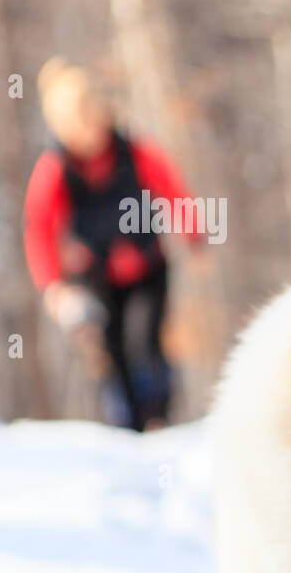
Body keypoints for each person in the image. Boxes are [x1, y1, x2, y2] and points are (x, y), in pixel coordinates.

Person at [23, 58, 202, 431]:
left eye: (94, 116)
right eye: (80, 122)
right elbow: (39, 227)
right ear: (64, 126)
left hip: (146, 266)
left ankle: (159, 414)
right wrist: (53, 285)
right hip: (95, 274)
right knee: (112, 350)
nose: (91, 130)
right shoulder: (55, 168)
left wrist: (192, 230)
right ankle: (129, 426)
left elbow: (169, 186)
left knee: (146, 340)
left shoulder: (133, 152)